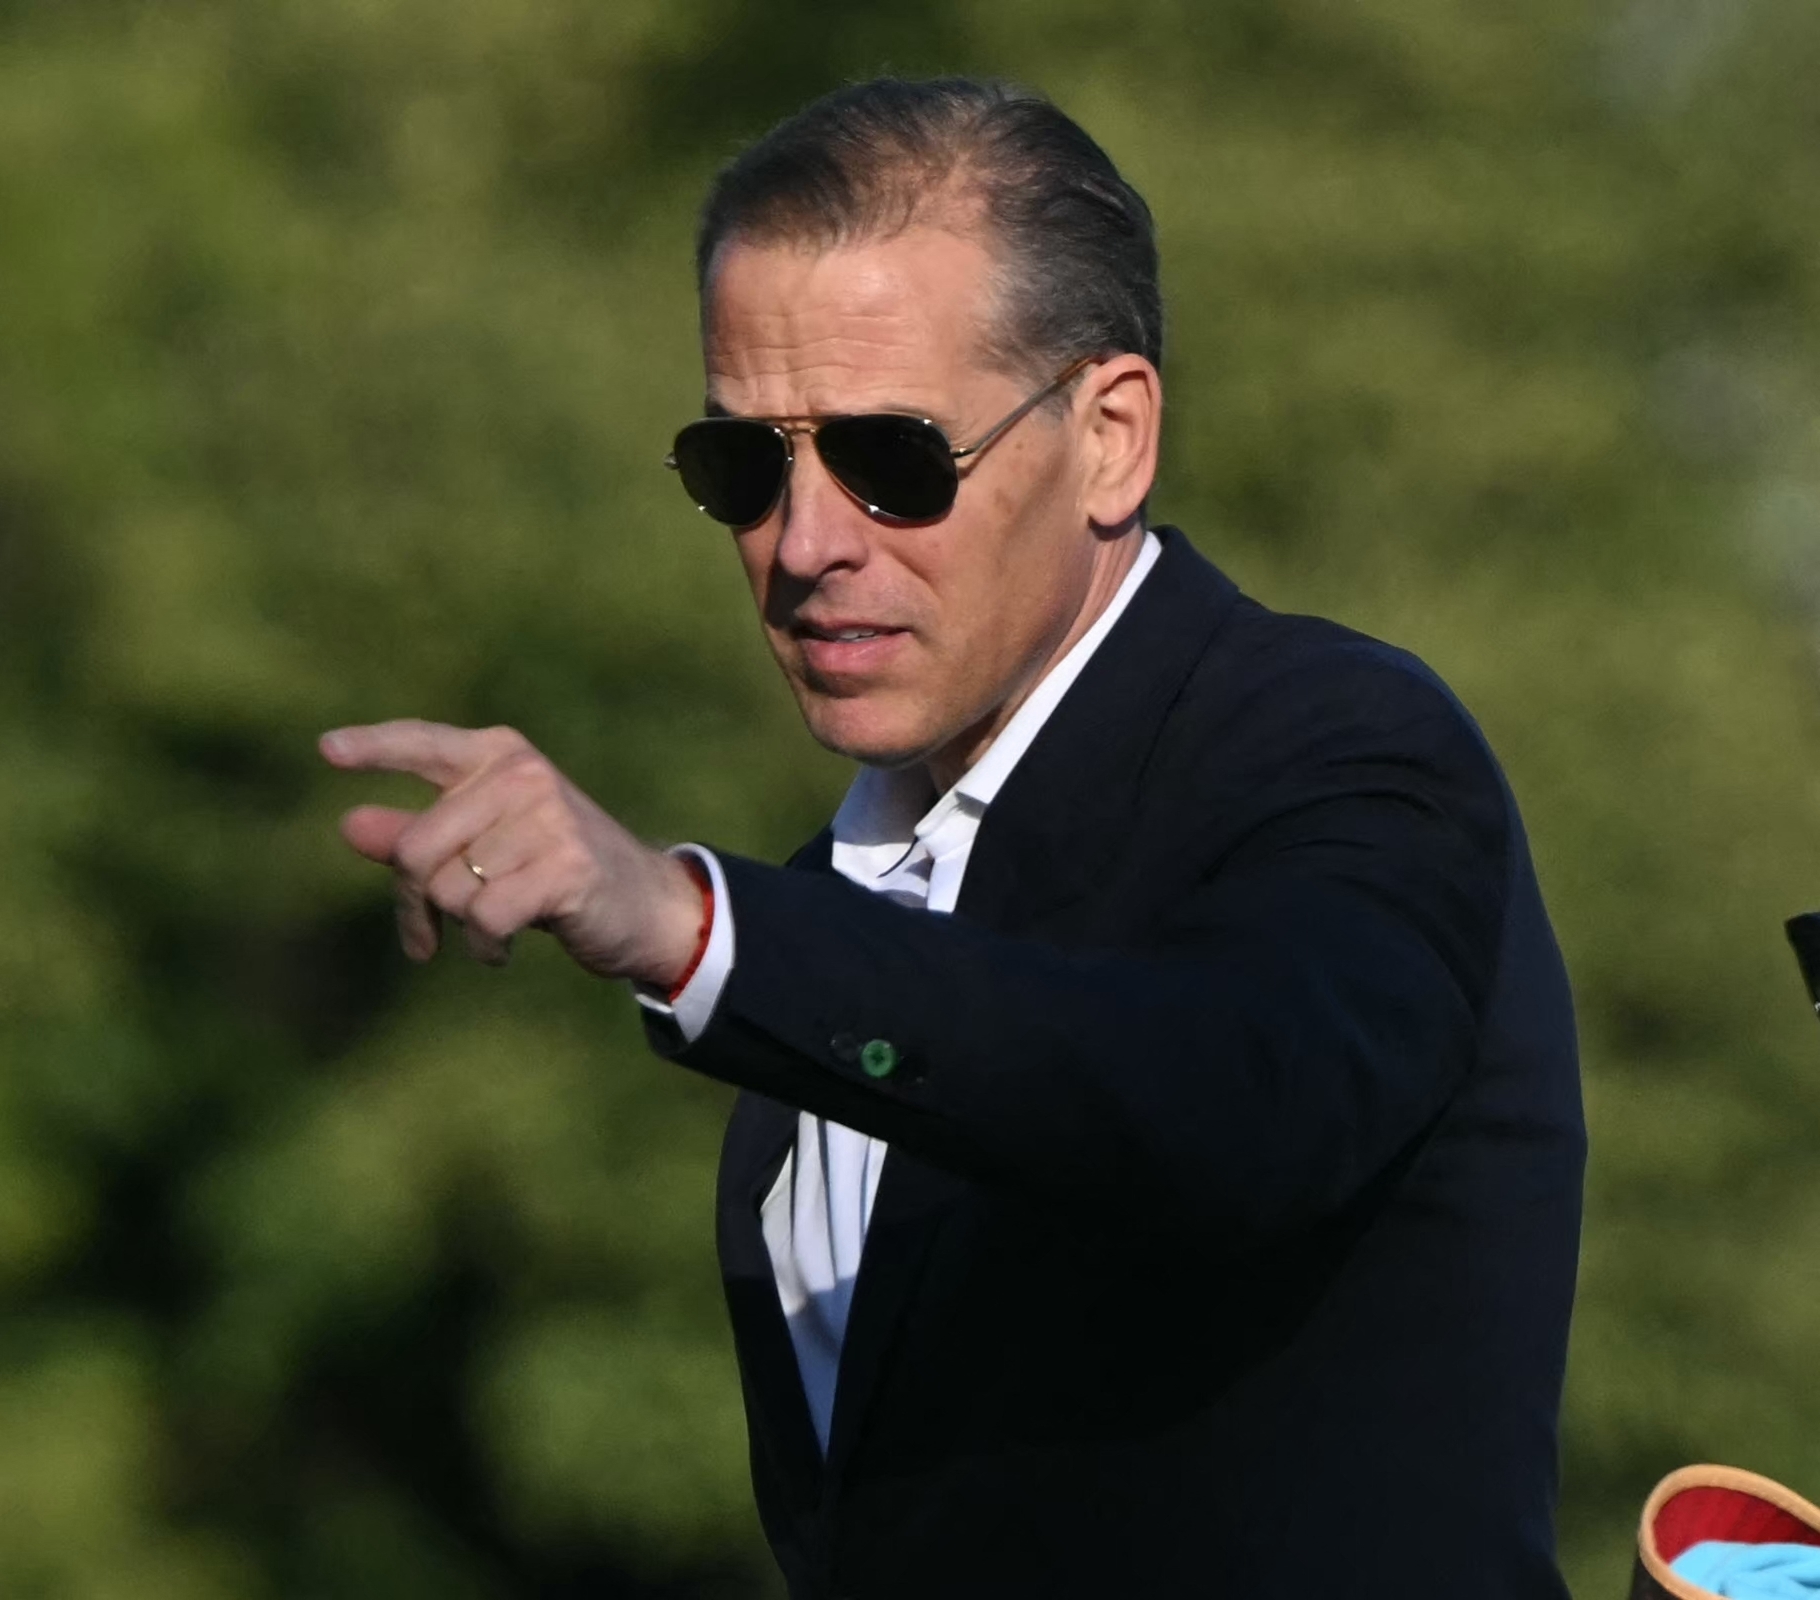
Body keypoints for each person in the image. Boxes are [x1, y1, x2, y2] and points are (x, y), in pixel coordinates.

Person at [322, 77, 1584, 1599]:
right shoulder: (834, 900)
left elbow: (1235, 1105)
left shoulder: (1337, 746)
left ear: (1111, 439)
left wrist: (699, 932)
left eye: (893, 460)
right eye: (743, 467)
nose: (806, 543)